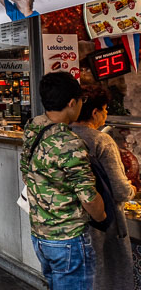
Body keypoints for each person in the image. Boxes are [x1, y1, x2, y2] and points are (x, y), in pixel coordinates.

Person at [20, 71, 106, 290]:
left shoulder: (33, 128)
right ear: (71, 103)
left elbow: (25, 173)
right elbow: (88, 197)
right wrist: (103, 216)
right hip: (69, 240)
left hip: (40, 236)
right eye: (81, 101)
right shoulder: (69, 143)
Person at [71, 85, 136, 290]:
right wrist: (132, 189)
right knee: (107, 279)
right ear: (94, 112)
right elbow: (120, 190)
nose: (106, 114)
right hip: (102, 224)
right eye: (105, 109)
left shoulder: (63, 135)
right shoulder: (102, 140)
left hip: (71, 222)